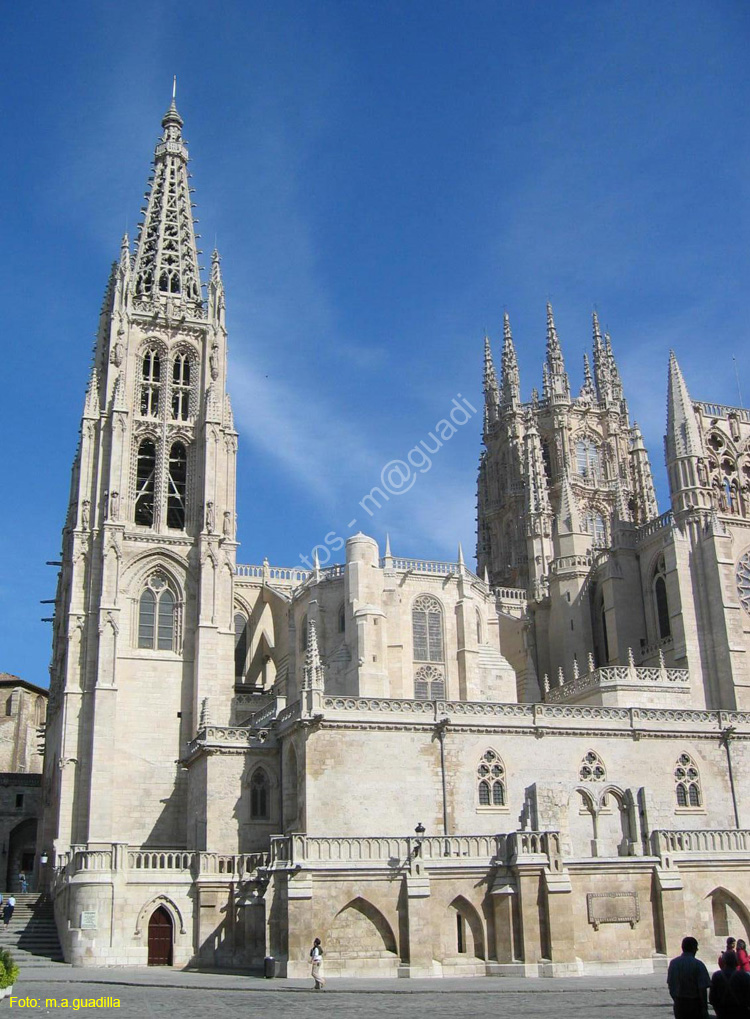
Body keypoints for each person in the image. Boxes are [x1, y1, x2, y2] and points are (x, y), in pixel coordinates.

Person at [667, 936, 711, 1019]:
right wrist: (704, 1008)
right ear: (694, 948)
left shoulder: (673, 963)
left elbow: (671, 984)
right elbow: (702, 988)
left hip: (679, 1004)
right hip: (694, 1004)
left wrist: (676, 1000)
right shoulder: (698, 964)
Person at [709, 949, 750, 1018]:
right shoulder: (744, 976)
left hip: (723, 1012)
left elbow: (712, 998)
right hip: (740, 1012)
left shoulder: (716, 976)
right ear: (736, 961)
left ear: (724, 961)